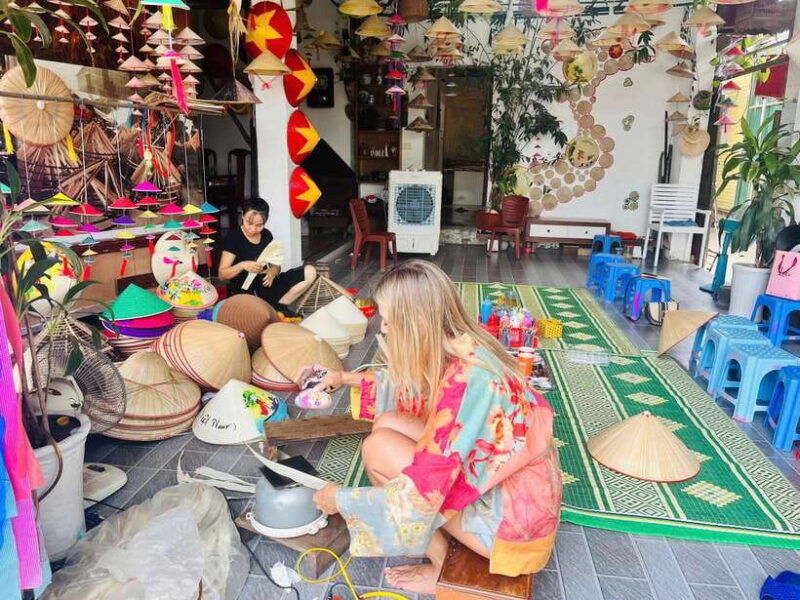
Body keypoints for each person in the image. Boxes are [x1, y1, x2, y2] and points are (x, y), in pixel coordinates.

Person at [305, 260, 562, 595]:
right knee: (387, 423)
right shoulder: (467, 345)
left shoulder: (468, 380)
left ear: (413, 321)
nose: (382, 328)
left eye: (386, 317)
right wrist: (344, 377)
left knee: (378, 449)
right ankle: (425, 541)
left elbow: (425, 488)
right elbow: (414, 387)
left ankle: (441, 566)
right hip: (513, 494)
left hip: (509, 529)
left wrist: (342, 499)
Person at [218, 198, 316, 315]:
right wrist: (243, 265)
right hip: (244, 291)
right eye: (249, 223)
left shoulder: (266, 235)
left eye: (259, 225)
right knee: (251, 316)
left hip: (265, 286)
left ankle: (279, 306)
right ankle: (267, 310)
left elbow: (276, 264)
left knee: (310, 271)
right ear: (243, 215)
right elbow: (222, 275)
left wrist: (274, 270)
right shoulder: (233, 238)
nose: (253, 229)